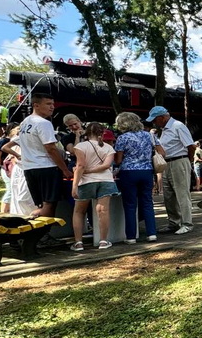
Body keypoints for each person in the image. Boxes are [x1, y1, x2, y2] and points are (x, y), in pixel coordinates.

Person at [2, 93, 73, 218]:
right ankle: (41, 233)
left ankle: (35, 229)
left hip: (29, 168)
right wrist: (65, 169)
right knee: (49, 204)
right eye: (48, 104)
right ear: (36, 105)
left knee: (40, 204)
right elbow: (51, 148)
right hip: (46, 167)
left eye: (53, 104)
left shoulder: (25, 123)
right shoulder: (43, 123)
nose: (52, 107)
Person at [113, 112, 162, 244]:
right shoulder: (149, 135)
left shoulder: (122, 138)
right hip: (147, 171)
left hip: (128, 172)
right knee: (147, 202)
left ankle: (131, 236)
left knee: (130, 205)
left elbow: (118, 160)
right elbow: (162, 152)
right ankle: (152, 233)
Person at [70, 123, 120, 251]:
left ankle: (78, 242)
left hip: (86, 182)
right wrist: (92, 170)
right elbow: (106, 165)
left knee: (79, 211)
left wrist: (75, 185)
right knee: (103, 211)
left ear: (86, 133)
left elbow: (80, 166)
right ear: (102, 133)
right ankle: (103, 240)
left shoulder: (80, 146)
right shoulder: (108, 148)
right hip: (106, 181)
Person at [146, 106, 195, 235]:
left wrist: (188, 161)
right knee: (168, 195)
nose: (154, 123)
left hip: (179, 161)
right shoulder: (163, 130)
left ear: (162, 117)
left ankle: (186, 223)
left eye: (155, 120)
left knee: (182, 193)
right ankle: (174, 222)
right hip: (167, 163)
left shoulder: (178, 126)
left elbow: (191, 146)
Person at [0, 122, 17, 212]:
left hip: (13, 168)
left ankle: (9, 211)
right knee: (10, 191)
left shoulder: (14, 141)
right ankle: (3, 212)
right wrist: (3, 166)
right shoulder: (3, 141)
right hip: (6, 169)